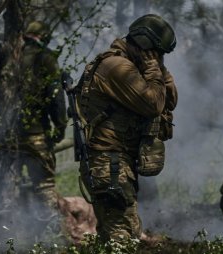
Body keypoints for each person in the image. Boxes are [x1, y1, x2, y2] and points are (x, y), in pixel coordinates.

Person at [75, 14, 177, 241]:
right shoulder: (117, 66)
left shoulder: (136, 65)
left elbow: (169, 101)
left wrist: (158, 68)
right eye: (157, 53)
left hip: (117, 164)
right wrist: (153, 70)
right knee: (120, 238)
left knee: (124, 234)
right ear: (145, 45)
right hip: (108, 164)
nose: (158, 58)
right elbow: (153, 104)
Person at [14, 20, 68, 236]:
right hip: (36, 135)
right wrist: (61, 127)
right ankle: (49, 239)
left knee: (6, 188)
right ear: (43, 36)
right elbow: (56, 98)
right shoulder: (46, 58)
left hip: (6, 137)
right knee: (44, 187)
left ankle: (2, 237)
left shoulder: (7, 58)